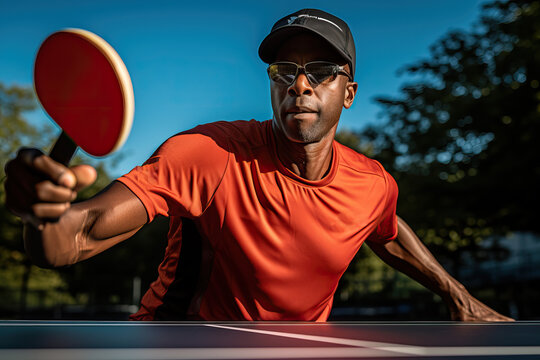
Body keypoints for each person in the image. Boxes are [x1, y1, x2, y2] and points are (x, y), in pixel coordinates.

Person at [4, 9, 512, 321]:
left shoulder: (371, 183)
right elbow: (77, 236)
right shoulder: (208, 154)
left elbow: (387, 228)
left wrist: (457, 295)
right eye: (284, 70)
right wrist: (41, 215)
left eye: (320, 71)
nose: (300, 83)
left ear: (349, 93)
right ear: (272, 84)